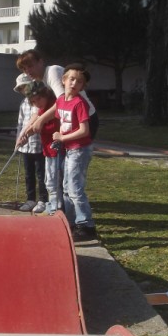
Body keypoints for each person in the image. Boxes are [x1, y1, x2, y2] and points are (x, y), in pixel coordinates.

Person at [53, 64, 97, 242]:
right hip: (69, 149)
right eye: (71, 79)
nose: (74, 83)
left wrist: (63, 138)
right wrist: (58, 139)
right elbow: (61, 123)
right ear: (63, 80)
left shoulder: (80, 103)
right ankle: (70, 222)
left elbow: (84, 131)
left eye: (79, 81)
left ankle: (86, 225)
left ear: (82, 86)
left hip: (79, 149)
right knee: (65, 188)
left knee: (75, 188)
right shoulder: (61, 100)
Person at [16, 50, 98, 140]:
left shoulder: (53, 72)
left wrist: (41, 120)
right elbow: (38, 111)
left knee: (78, 153)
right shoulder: (39, 81)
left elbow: (62, 102)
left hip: (85, 118)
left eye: (30, 66)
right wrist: (24, 132)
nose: (28, 71)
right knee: (70, 153)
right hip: (69, 121)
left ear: (41, 62)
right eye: (24, 69)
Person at [14, 72, 48, 213]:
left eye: (25, 86)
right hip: (26, 146)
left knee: (42, 174)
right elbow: (21, 123)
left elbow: (37, 121)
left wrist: (27, 133)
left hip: (39, 144)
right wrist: (18, 139)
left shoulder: (38, 102)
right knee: (29, 174)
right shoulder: (23, 103)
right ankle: (30, 199)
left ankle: (43, 200)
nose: (23, 90)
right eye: (21, 88)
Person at [26, 81, 61, 216]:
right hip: (47, 151)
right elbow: (36, 123)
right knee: (49, 181)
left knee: (55, 181)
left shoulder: (53, 107)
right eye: (34, 102)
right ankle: (52, 207)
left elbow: (53, 127)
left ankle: (56, 209)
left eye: (39, 99)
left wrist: (39, 126)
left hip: (56, 151)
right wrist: (27, 133)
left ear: (46, 95)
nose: (37, 103)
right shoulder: (42, 109)